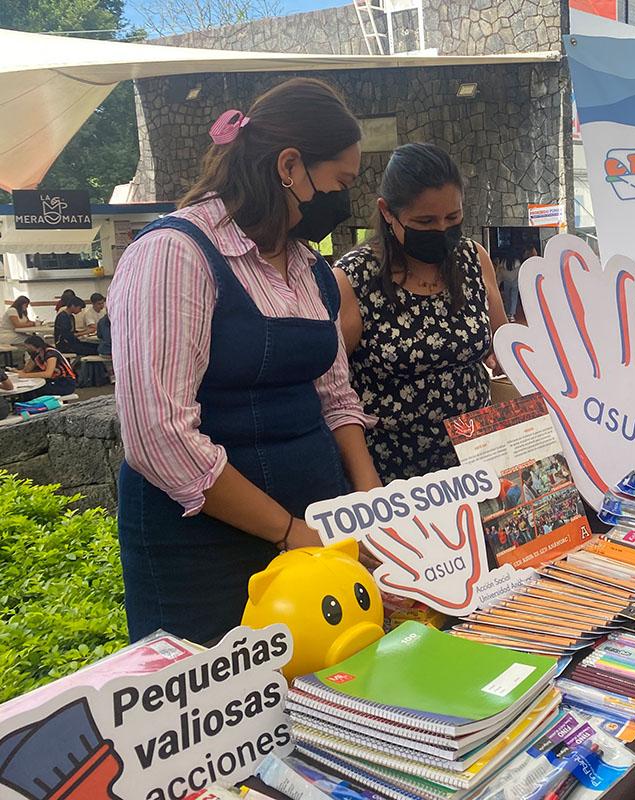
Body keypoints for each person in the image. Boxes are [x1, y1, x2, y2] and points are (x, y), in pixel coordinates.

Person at [109, 78, 381, 645]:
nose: (343, 200)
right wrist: (284, 529)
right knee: (222, 713)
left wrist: (369, 502)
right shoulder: (173, 255)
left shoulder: (310, 269)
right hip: (203, 551)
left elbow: (335, 397)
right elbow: (159, 436)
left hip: (313, 531)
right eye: (341, 182)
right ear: (289, 165)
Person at [334, 142, 507, 482]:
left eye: (453, 218)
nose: (442, 230)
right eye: (425, 221)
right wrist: (365, 483)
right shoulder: (353, 278)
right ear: (387, 212)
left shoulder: (473, 259)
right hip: (392, 476)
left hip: (476, 464)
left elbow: (503, 345)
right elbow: (333, 395)